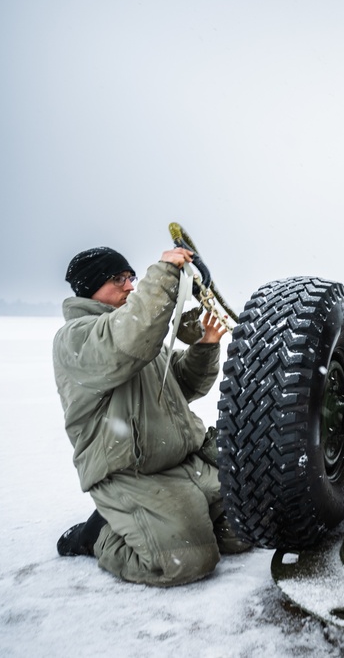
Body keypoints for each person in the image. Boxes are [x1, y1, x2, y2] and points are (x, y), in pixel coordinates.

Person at [53, 245, 249, 586]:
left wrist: (205, 344)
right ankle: (99, 535)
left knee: (248, 525)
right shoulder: (78, 338)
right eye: (118, 279)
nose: (130, 285)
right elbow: (127, 339)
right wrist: (164, 273)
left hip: (182, 462)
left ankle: (162, 523)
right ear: (90, 287)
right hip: (132, 474)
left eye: (131, 277)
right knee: (188, 561)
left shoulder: (139, 337)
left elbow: (181, 386)